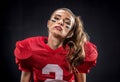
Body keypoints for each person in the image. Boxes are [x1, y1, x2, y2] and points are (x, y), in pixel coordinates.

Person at [14, 8, 98, 82]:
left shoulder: (77, 51)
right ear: (48, 24)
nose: (60, 22)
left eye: (67, 23)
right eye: (56, 18)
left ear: (70, 33)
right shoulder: (30, 48)